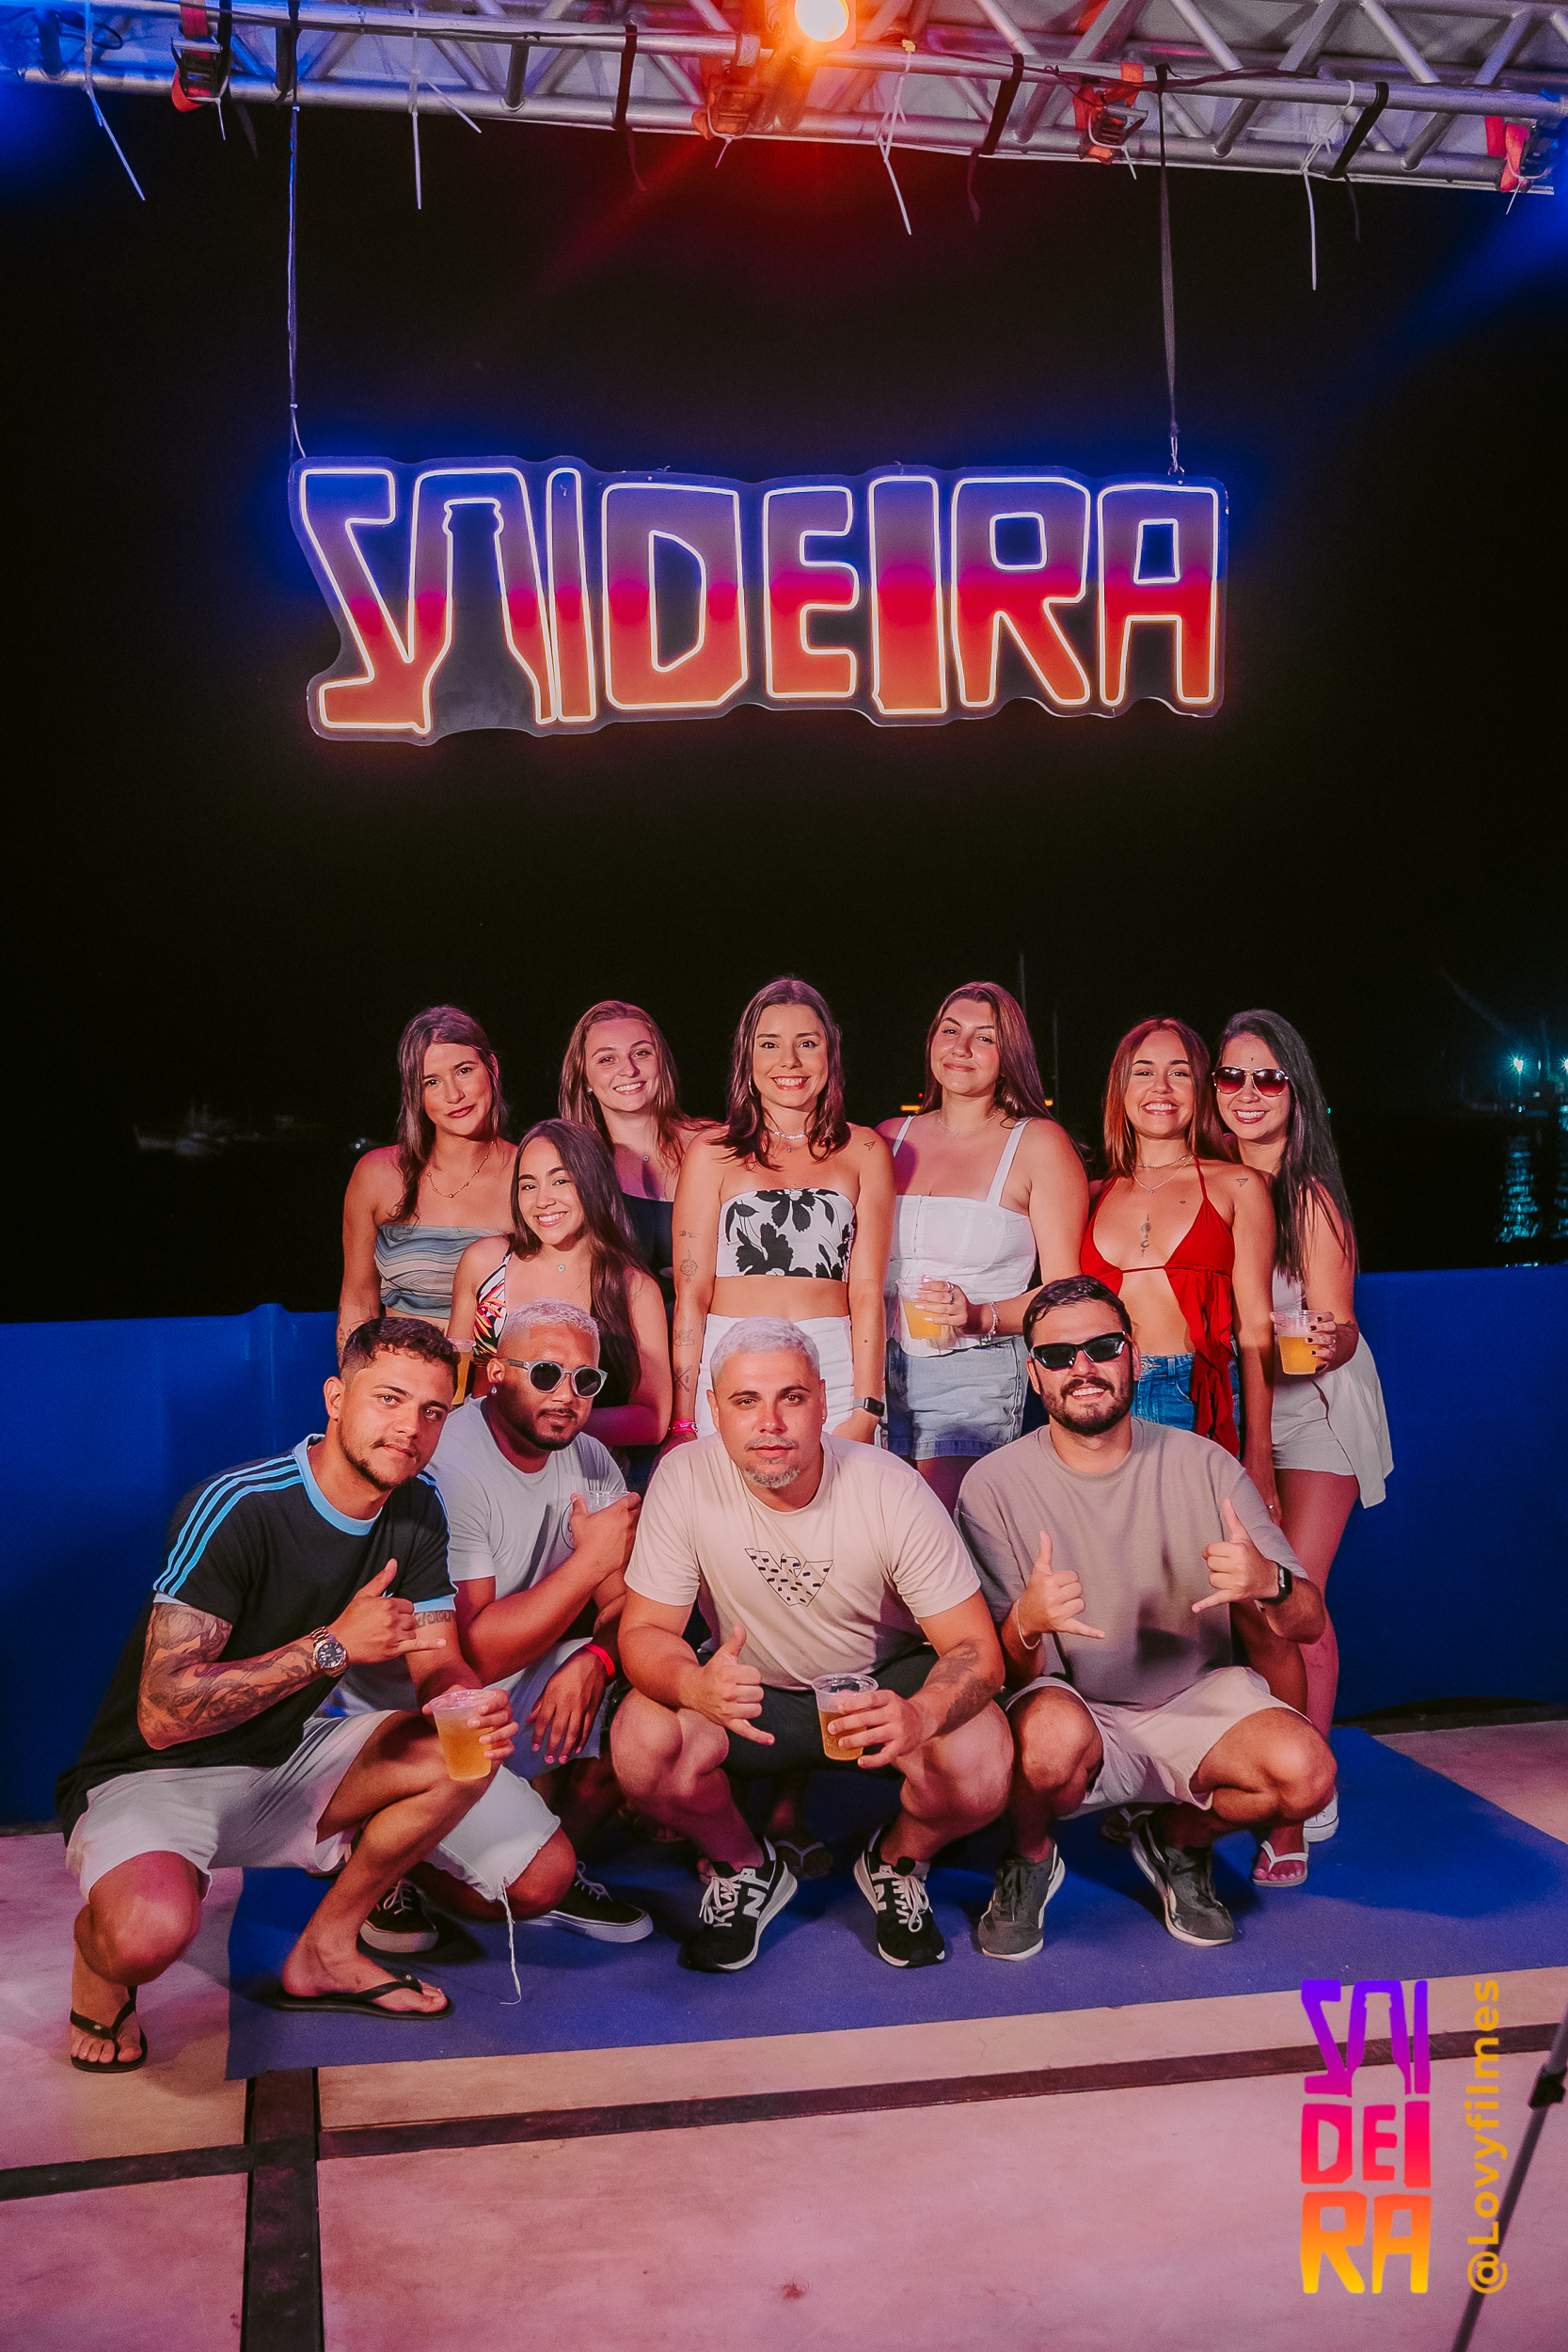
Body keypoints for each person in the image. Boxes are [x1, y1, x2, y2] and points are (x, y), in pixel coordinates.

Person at [55, 1316, 517, 2068]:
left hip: (281, 1757)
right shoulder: (238, 1505)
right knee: (144, 1937)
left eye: (432, 1410)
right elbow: (163, 1715)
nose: (410, 1427)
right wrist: (330, 1647)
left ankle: (328, 1950)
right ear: (336, 1398)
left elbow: (440, 1660)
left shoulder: (417, 1504)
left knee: (462, 1757)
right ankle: (97, 1966)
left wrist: (462, 1699)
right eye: (389, 1399)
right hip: (152, 1775)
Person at [610, 1317, 1012, 1974]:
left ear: (823, 1402)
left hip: (877, 1686)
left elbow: (977, 1651)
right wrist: (691, 1684)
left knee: (981, 1761)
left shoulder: (888, 1487)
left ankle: (897, 1862)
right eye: (745, 1400)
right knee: (640, 1741)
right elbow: (645, 1633)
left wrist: (921, 1713)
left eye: (791, 1397)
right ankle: (745, 1867)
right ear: (715, 1409)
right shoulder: (684, 1475)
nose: (769, 1422)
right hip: (750, 1691)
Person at [955, 1277, 1336, 1961]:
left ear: (1133, 1355)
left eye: (1102, 1348)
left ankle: (1176, 1839)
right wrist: (1027, 1623)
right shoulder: (992, 1486)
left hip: (1193, 1702)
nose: (1082, 1368)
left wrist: (1269, 1582)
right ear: (1034, 1374)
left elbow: (1306, 1625)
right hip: (1075, 1709)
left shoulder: (1206, 1466)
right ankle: (1029, 1855)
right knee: (1045, 1739)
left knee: (1305, 1777)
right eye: (1057, 1356)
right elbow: (1001, 1675)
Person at [330, 1299, 653, 1952]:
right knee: (525, 1887)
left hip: (510, 1685)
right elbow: (468, 1656)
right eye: (546, 1374)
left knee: (648, 1698)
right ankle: (382, 1856)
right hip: (417, 1707)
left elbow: (629, 1608)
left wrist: (597, 1660)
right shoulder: (450, 1463)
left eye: (585, 1380)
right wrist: (589, 1563)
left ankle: (545, 1861)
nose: (566, 1395)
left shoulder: (592, 1460)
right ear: (496, 1372)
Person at [1211, 1010, 1393, 1883]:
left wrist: (1328, 1340)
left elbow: (1340, 1326)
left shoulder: (1308, 1195)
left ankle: (1306, 1788)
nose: (1247, 1093)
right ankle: (1262, 1765)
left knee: (1294, 1600)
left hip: (1314, 1408)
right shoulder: (1204, 1179)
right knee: (1239, 1610)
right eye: (1231, 1076)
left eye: (1267, 1077)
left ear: (1295, 1091)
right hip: (1230, 1411)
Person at [879, 981, 1089, 1510]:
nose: (962, 1047)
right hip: (875, 1370)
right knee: (880, 1541)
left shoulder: (1039, 1143)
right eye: (950, 1031)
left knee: (947, 1535)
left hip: (972, 1373)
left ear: (1008, 1056)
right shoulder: (887, 1137)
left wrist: (977, 1315)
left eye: (985, 1038)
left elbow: (1065, 1293)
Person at [666, 976, 893, 1449]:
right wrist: (683, 1421)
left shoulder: (866, 1149)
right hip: (731, 1360)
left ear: (830, 1054)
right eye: (770, 1044)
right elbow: (692, 1294)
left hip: (832, 1365)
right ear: (747, 1059)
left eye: (806, 1043)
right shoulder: (711, 1152)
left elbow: (869, 1291)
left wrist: (867, 1407)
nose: (789, 1060)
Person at [1079, 1016, 1277, 1509]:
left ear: (1200, 1089)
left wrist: (1259, 1454)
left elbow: (1256, 1329)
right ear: (1121, 1089)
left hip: (1195, 1397)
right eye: (1144, 1072)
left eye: (1180, 1072)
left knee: (1202, 1552)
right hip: (1103, 1396)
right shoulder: (1089, 1194)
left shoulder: (1239, 1185)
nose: (1161, 1087)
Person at [449, 1120, 671, 1454]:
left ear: (594, 1183)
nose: (542, 1200)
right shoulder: (485, 1262)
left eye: (560, 1181)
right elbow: (451, 1383)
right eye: (528, 1185)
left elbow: (652, 1420)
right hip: (482, 1455)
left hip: (580, 1464)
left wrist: (543, 1427)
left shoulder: (633, 1289)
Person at [339, 1007, 516, 1361]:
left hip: (493, 1382)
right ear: (415, 1094)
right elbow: (358, 1302)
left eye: (464, 1071)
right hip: (399, 1380)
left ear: (492, 1068)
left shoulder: (530, 1176)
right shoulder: (377, 1174)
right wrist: (357, 1383)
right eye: (431, 1082)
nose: (454, 1095)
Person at [559, 999, 712, 1311]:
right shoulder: (571, 1164)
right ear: (584, 1078)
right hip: (616, 1334)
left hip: (713, 1328)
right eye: (607, 1059)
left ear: (661, 1063)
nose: (628, 1069)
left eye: (641, 1053)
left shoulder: (714, 1145)